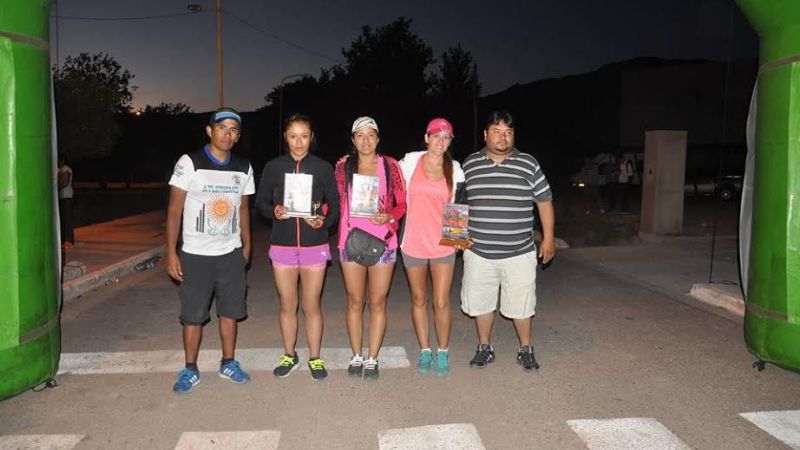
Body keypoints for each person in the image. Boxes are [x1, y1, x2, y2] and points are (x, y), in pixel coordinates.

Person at [165, 107, 255, 394]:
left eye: (234, 130)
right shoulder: (190, 162)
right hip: (195, 253)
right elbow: (174, 210)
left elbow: (243, 209)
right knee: (193, 314)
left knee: (230, 311)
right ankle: (190, 368)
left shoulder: (243, 167)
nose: (228, 134)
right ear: (209, 130)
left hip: (230, 252)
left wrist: (247, 244)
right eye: (222, 128)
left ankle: (228, 362)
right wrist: (171, 251)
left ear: (238, 136)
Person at [460, 110, 555, 372]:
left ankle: (526, 348)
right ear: (485, 134)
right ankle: (484, 347)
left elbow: (544, 201)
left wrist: (548, 238)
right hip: (479, 252)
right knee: (480, 302)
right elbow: (456, 204)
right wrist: (456, 238)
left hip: (520, 251)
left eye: (508, 132)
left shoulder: (529, 163)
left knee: (522, 303)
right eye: (497, 131)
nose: (503, 137)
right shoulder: (469, 164)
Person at [255, 114, 339, 381]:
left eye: (304, 135)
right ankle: (289, 355)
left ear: (311, 136)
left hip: (314, 244)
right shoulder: (273, 166)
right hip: (282, 244)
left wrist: (323, 221)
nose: (299, 142)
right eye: (293, 136)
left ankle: (315, 357)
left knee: (311, 305)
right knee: (287, 304)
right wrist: (275, 211)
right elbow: (260, 203)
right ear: (286, 138)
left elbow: (335, 206)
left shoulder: (322, 167)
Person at [335, 116, 407, 380]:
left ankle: (373, 357)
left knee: (377, 302)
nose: (366, 140)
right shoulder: (343, 167)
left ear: (378, 138)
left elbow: (402, 203)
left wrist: (390, 215)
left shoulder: (390, 166)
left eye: (371, 134)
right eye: (360, 135)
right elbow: (333, 200)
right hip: (350, 241)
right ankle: (356, 354)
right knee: (355, 301)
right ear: (353, 140)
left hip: (384, 241)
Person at [398, 118, 464, 377]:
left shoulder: (456, 169)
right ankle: (425, 350)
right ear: (426, 138)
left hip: (443, 245)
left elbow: (460, 206)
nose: (440, 141)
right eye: (436, 135)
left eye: (446, 137)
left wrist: (458, 242)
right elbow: (381, 171)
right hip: (413, 242)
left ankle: (443, 351)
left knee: (441, 301)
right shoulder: (410, 163)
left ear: (450, 142)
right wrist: (351, 162)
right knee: (419, 298)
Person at [57, 154, 75, 248]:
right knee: (62, 219)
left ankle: (68, 240)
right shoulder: (59, 169)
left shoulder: (65, 169)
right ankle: (63, 239)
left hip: (66, 196)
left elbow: (64, 183)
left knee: (67, 219)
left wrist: (57, 187)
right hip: (61, 197)